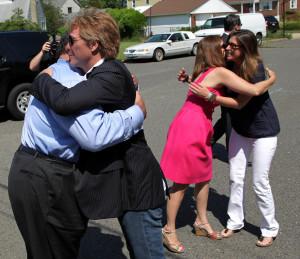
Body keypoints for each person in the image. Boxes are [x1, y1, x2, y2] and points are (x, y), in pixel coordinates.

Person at [29, 8, 167, 258]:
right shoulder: (100, 73)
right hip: (125, 182)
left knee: (147, 254)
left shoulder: (110, 73)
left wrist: (39, 79)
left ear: (93, 45)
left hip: (137, 184)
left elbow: (64, 101)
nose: (66, 46)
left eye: (71, 40)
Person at [8, 33, 145, 259]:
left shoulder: (54, 72)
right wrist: (136, 112)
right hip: (49, 178)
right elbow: (94, 135)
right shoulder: (71, 79)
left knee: (41, 250)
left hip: (31, 168)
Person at [160, 35, 276, 253]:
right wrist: (271, 79)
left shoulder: (206, 71)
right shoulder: (220, 71)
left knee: (203, 176)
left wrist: (189, 81)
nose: (227, 49)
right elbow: (252, 91)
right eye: (224, 47)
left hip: (196, 123)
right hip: (192, 126)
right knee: (182, 180)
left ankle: (201, 222)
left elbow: (206, 90)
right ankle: (169, 229)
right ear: (215, 51)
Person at [192, 30, 280, 247]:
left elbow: (241, 101)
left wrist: (212, 97)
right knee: (235, 177)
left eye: (233, 45)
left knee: (260, 181)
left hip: (263, 131)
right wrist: (189, 80)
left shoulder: (256, 68)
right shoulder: (229, 65)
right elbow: (206, 79)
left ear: (246, 49)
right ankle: (235, 221)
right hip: (240, 129)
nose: (228, 48)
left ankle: (270, 228)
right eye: (227, 44)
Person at [211, 14, 242, 155]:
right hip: (228, 86)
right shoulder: (226, 42)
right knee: (230, 120)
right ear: (236, 26)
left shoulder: (219, 40)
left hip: (223, 85)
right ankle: (232, 153)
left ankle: (208, 143)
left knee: (226, 119)